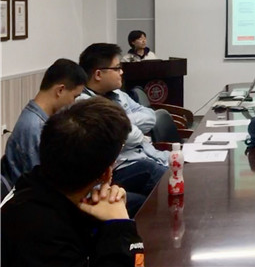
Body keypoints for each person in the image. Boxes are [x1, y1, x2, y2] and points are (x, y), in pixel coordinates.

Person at [1, 97, 145, 266]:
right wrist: (121, 227)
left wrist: (107, 221)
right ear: (106, 174)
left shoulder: (36, 187)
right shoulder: (44, 235)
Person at [78, 43, 168, 211]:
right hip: (117, 169)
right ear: (98, 74)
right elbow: (134, 137)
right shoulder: (85, 104)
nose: (121, 72)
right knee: (165, 181)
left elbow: (150, 117)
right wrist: (129, 126)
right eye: (117, 68)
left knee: (182, 170)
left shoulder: (117, 94)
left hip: (146, 154)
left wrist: (122, 121)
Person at [4, 59, 88, 187]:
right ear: (60, 90)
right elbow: (44, 184)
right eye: (75, 97)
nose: (73, 102)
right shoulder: (34, 128)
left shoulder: (41, 120)